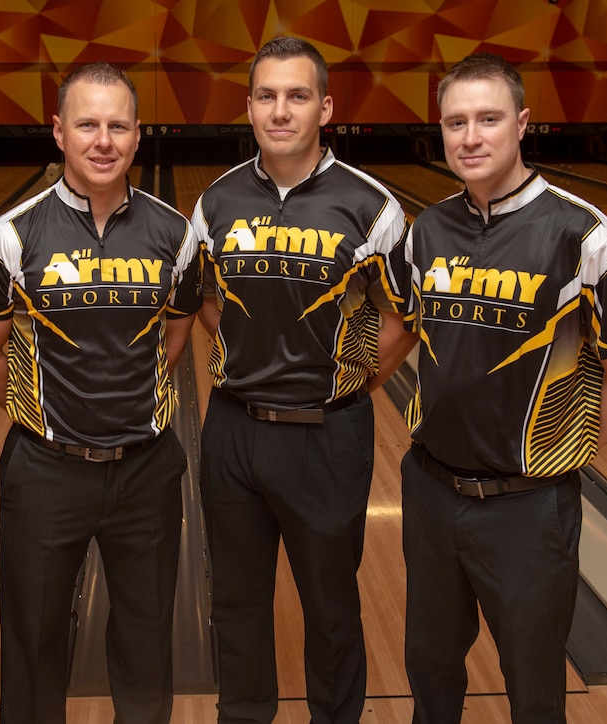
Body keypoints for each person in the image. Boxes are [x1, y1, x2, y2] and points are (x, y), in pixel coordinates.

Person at [401, 52, 607, 723]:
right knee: (429, 666)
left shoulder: (582, 235)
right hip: (430, 491)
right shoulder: (427, 230)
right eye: (456, 122)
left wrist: (554, 459)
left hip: (527, 508)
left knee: (534, 685)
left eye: (487, 118)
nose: (471, 136)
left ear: (522, 124)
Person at [0, 62, 202, 724]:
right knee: (34, 644)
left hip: (147, 469)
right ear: (59, 131)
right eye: (88, 124)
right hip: (45, 473)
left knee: (147, 645)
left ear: (137, 135)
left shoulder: (177, 236)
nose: (103, 140)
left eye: (117, 125)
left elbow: (174, 340)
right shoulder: (8, 238)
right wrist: (43, 421)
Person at [191, 36, 418, 724]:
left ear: (325, 107)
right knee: (235, 602)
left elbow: (402, 317)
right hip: (232, 429)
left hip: (327, 436)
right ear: (249, 107)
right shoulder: (216, 202)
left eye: (296, 96)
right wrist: (245, 354)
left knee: (330, 605)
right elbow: (204, 298)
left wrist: (347, 384)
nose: (280, 111)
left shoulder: (371, 207)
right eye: (266, 96)